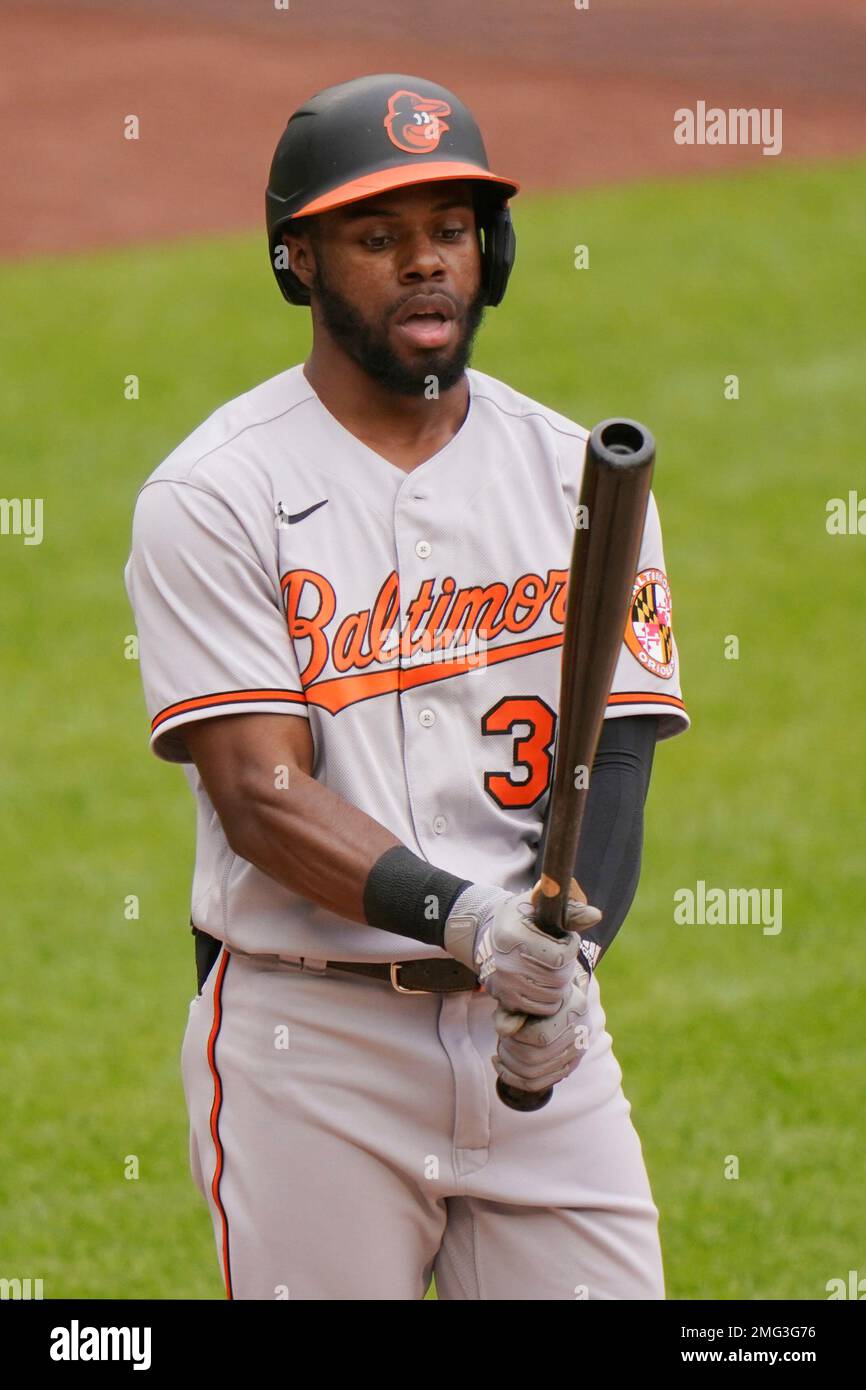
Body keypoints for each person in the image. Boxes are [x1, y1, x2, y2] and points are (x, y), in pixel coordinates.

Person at [124, 73, 689, 1301]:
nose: (423, 263)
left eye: (448, 232)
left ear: (493, 253)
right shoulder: (216, 494)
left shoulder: (575, 475)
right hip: (307, 1043)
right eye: (376, 238)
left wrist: (560, 969)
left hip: (534, 1037)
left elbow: (619, 756)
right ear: (299, 264)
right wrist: (471, 922)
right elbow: (260, 796)